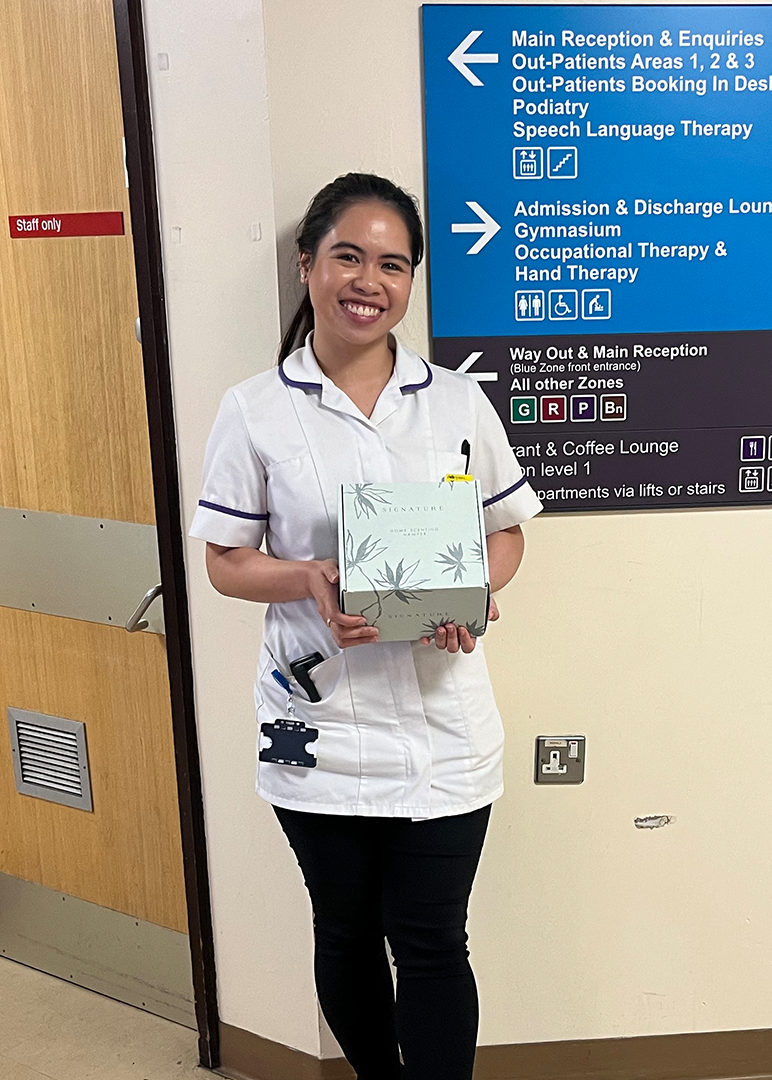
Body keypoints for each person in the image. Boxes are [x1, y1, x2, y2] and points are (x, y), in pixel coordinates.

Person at [189, 173, 540, 1080]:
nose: (368, 280)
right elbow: (224, 561)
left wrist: (473, 596)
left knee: (431, 940)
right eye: (348, 255)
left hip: (442, 720)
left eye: (392, 263)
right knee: (344, 931)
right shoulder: (254, 409)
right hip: (320, 717)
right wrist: (306, 579)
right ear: (307, 265)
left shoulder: (457, 402)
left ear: (412, 281)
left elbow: (504, 535)